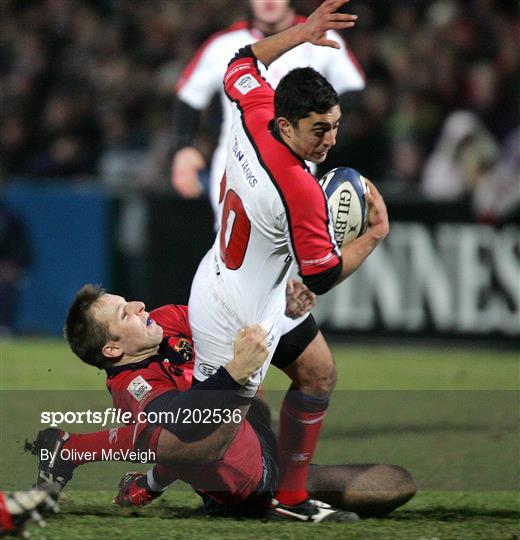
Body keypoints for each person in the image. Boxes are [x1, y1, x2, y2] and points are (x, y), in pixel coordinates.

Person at [187, 0, 390, 522]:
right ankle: (139, 459)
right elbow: (321, 274)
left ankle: (295, 500)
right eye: (319, 129)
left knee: (318, 373)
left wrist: (302, 32)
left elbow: (242, 60)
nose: (331, 140)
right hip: (235, 314)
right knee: (225, 474)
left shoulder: (256, 109)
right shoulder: (298, 188)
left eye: (335, 125)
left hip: (241, 279)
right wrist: (374, 235)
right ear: (287, 125)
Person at [28, 284, 415, 521]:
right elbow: (187, 425)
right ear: (112, 348)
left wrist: (282, 308)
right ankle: (71, 448)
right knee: (394, 486)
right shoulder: (132, 386)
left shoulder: (168, 321)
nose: (139, 305)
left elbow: (233, 321)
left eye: (129, 301)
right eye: (124, 313)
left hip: (261, 437)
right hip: (252, 486)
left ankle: (70, 449)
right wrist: (236, 375)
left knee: (401, 482)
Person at [171, 0, 365, 211]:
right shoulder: (224, 44)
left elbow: (353, 90)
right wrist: (183, 147)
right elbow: (189, 97)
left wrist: (321, 126)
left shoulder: (319, 36)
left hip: (298, 169)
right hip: (237, 168)